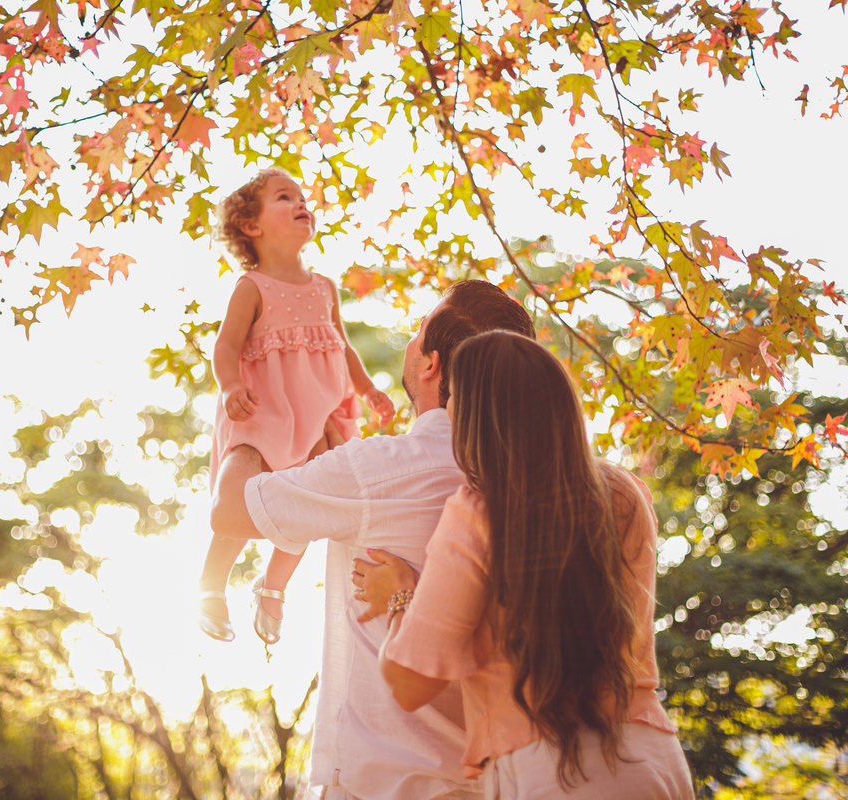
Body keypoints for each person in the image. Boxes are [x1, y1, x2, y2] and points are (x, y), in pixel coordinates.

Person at [210, 280, 536, 800]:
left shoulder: (378, 470)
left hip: (391, 781)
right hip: (507, 782)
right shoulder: (537, 484)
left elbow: (229, 511)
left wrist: (250, 435)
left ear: (430, 365)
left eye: (418, 329)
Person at [353, 331, 694, 799]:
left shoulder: (480, 511)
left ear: (477, 416)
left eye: (453, 400)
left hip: (551, 769)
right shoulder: (624, 493)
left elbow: (410, 685)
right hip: (653, 758)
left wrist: (400, 595)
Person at [199, 167, 395, 644]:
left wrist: (366, 389)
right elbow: (225, 347)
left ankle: (273, 588)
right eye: (284, 197)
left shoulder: (325, 287)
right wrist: (229, 387)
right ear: (252, 226)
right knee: (239, 497)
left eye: (303, 196)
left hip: (318, 416)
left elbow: (344, 348)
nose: (301, 202)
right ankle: (210, 585)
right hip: (261, 413)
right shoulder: (252, 287)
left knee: (307, 504)